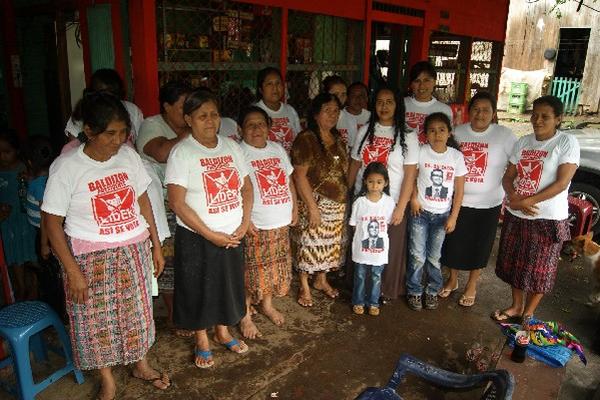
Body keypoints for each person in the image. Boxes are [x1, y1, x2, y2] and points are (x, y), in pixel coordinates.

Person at [42, 92, 169, 400]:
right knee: (95, 321)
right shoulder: (67, 166)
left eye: (123, 132)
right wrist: (72, 271)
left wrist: (155, 244)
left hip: (133, 249)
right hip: (90, 256)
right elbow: (51, 222)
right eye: (110, 133)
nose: (118, 140)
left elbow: (142, 200)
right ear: (89, 131)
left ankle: (140, 363)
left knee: (136, 313)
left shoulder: (127, 156)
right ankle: (107, 379)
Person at [165, 89, 252, 369]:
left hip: (232, 231)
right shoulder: (182, 152)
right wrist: (209, 234)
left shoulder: (232, 147)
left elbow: (246, 186)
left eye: (214, 114)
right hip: (197, 236)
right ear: (188, 119)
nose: (210, 121)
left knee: (227, 285)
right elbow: (177, 203)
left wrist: (244, 221)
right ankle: (202, 339)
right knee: (198, 288)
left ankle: (223, 331)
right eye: (202, 116)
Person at [492, 95, 579, 323]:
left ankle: (529, 313)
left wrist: (527, 201)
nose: (537, 120)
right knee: (515, 265)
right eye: (535, 115)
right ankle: (516, 306)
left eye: (545, 116)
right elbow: (509, 176)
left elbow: (561, 183)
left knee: (540, 269)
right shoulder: (524, 142)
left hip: (547, 218)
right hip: (517, 214)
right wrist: (513, 196)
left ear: (558, 119)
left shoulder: (566, 142)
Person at [439, 92, 517, 307]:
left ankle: (471, 285)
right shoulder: (458, 132)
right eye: (476, 109)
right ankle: (453, 280)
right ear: (468, 111)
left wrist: (512, 188)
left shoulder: (504, 135)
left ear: (493, 114)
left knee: (480, 246)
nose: (480, 114)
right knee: (453, 243)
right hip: (458, 201)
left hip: (488, 203)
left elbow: (516, 163)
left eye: (485, 110)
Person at [348, 86, 419, 301]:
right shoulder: (365, 131)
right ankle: (361, 292)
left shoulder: (408, 135)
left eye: (389, 102)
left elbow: (410, 175)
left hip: (392, 203)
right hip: (364, 202)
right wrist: (347, 195)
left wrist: (400, 207)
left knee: (388, 249)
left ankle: (384, 290)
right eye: (379, 101)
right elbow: (354, 165)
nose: (384, 106)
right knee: (363, 244)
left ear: (398, 105)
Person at [136, 81, 193, 335]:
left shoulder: (191, 127)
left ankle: (191, 309)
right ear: (167, 107)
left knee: (189, 260)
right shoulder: (151, 125)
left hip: (189, 203)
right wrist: (191, 129)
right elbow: (160, 153)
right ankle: (173, 315)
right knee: (169, 262)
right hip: (163, 205)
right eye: (184, 107)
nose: (188, 112)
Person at [237, 106, 297, 339]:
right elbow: (236, 190)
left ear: (269, 127)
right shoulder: (239, 153)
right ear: (241, 129)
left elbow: (289, 180)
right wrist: (245, 219)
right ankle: (245, 316)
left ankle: (267, 305)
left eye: (261, 124)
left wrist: (293, 206)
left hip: (279, 221)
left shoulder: (277, 149)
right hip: (256, 224)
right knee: (251, 273)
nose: (256, 129)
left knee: (273, 270)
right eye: (250, 125)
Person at [290, 93, 348, 307]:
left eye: (336, 110)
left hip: (336, 203)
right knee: (309, 243)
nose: (333, 114)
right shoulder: (306, 139)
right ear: (315, 114)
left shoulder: (338, 137)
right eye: (327, 110)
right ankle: (305, 285)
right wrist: (313, 208)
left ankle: (320, 280)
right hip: (314, 201)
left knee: (328, 245)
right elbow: (299, 175)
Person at [407, 112, 466, 311]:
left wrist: (454, 216)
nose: (437, 134)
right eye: (432, 130)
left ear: (449, 133)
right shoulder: (421, 151)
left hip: (442, 216)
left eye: (442, 130)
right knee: (417, 255)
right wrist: (413, 198)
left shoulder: (456, 157)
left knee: (434, 257)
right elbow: (412, 178)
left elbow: (460, 190)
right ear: (425, 135)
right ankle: (414, 291)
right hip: (420, 213)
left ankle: (432, 290)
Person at [350, 162, 396, 316]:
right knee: (360, 276)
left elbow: (388, 224)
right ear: (365, 181)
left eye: (379, 182)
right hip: (361, 251)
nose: (374, 186)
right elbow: (354, 225)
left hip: (379, 252)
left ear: (386, 183)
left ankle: (373, 303)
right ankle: (358, 301)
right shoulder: (359, 202)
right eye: (371, 182)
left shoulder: (389, 202)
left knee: (376, 276)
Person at [64, 68, 143, 153]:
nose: (108, 100)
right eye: (103, 95)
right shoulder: (81, 115)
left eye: (113, 95)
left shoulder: (133, 110)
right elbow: (72, 151)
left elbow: (138, 147)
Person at [0, 130, 37, 301]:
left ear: (16, 151)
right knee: (14, 254)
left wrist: (28, 180)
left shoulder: (23, 168)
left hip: (23, 217)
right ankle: (21, 287)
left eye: (7, 152)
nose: (3, 156)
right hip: (6, 219)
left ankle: (35, 286)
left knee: (29, 250)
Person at [403, 61, 453, 144]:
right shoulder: (401, 104)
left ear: (434, 82)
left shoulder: (445, 110)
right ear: (411, 84)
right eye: (417, 81)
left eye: (426, 80)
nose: (421, 86)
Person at [254, 67, 301, 152]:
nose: (275, 88)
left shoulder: (290, 111)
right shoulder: (254, 112)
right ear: (260, 89)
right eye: (269, 84)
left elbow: (299, 139)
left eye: (278, 83)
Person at [322, 75, 358, 149]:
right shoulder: (319, 117)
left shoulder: (351, 119)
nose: (339, 98)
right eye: (335, 94)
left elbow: (352, 147)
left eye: (343, 94)